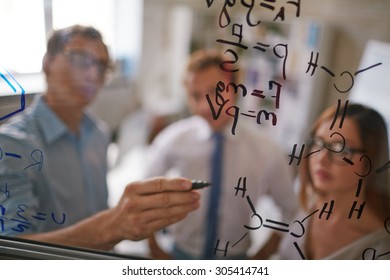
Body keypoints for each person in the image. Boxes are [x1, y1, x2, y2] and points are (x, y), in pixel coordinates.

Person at [0, 25, 200, 251]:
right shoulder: (12, 145)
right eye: (78, 59)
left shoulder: (98, 133)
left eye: (102, 66)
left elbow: (97, 210)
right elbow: (11, 253)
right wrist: (113, 226)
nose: (92, 74)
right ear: (47, 64)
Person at [145, 49, 298, 259]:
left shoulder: (266, 149)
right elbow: (142, 193)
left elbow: (290, 209)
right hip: (181, 255)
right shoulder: (173, 140)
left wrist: (262, 256)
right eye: (195, 95)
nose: (205, 106)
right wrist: (154, 248)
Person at [277, 103, 390, 259]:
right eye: (318, 142)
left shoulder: (381, 248)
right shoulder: (309, 202)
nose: (321, 159)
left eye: (341, 149)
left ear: (371, 159)